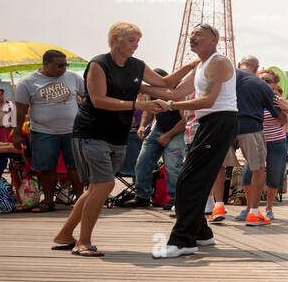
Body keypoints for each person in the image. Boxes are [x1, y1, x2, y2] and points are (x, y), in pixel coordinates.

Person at [52, 22, 187, 256]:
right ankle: (83, 242)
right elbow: (97, 100)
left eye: (137, 41)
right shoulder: (99, 64)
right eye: (132, 40)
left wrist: (194, 66)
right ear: (115, 39)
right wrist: (139, 104)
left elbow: (165, 85)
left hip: (118, 134)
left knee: (97, 186)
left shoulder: (136, 66)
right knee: (104, 184)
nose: (136, 45)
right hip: (91, 131)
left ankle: (65, 234)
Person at [151, 23, 238, 257]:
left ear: (214, 39)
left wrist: (171, 106)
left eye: (199, 34)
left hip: (220, 122)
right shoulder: (201, 65)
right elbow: (174, 92)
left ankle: (182, 241)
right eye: (192, 34)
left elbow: (207, 100)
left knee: (190, 182)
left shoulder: (218, 62)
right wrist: (131, 86)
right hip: (208, 124)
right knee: (187, 180)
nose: (193, 37)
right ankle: (201, 233)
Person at [12, 49, 85, 212]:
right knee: (46, 167)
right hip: (43, 131)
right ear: (45, 64)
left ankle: (81, 199)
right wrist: (17, 133)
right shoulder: (27, 82)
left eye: (66, 65)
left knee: (75, 165)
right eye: (59, 65)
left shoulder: (73, 77)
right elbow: (21, 110)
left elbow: (87, 96)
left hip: (73, 130)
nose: (63, 69)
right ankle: (48, 201)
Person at [241, 69, 288, 221]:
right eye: (261, 80)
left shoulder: (279, 100)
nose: (264, 83)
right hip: (255, 141)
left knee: (274, 177)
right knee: (247, 176)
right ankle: (250, 208)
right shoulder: (252, 98)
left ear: (275, 84)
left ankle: (269, 208)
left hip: (276, 142)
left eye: (268, 81)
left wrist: (284, 106)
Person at [130, 69, 186, 209]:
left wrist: (168, 135)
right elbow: (148, 110)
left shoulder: (178, 91)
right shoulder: (152, 91)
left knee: (172, 165)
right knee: (143, 161)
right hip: (159, 128)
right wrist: (142, 126)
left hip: (178, 130)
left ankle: (175, 199)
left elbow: (185, 120)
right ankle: (142, 196)